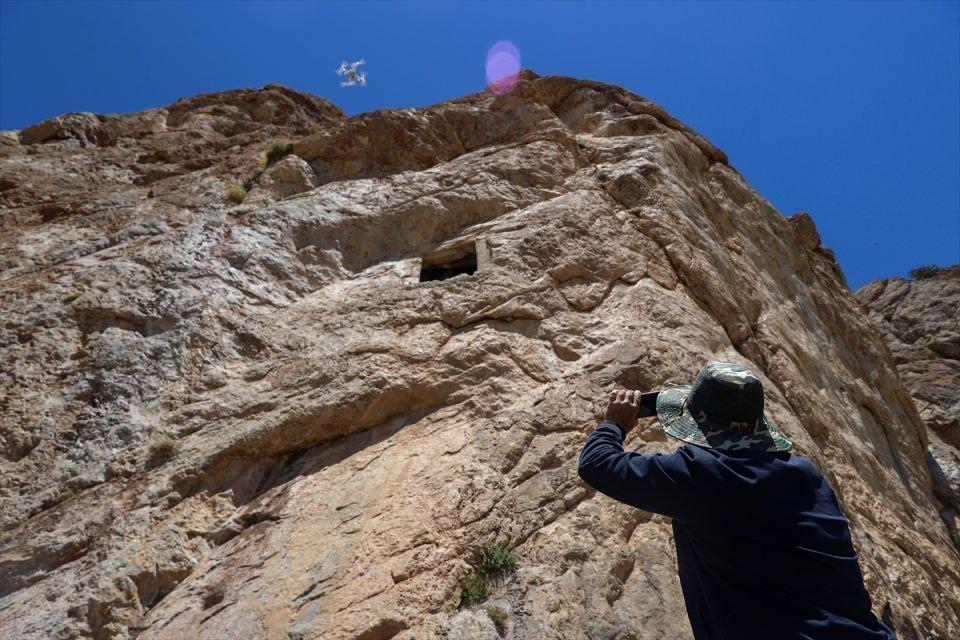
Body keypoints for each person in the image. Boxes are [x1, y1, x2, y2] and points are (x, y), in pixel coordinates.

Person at [577, 361, 897, 640]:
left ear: (698, 427)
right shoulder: (804, 474)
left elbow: (598, 465)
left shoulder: (705, 475)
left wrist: (614, 424)